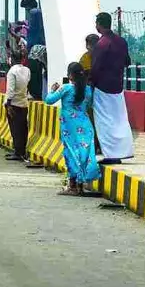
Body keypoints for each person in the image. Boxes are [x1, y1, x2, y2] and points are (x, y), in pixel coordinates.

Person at [45, 63, 99, 195]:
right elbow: (89, 105)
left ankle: (73, 186)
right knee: (84, 155)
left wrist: (52, 90)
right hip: (86, 126)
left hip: (69, 128)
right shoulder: (88, 90)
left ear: (70, 75)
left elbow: (49, 100)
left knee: (71, 153)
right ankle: (81, 185)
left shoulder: (65, 88)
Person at [89, 11, 134, 163]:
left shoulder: (100, 45)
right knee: (120, 120)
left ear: (99, 25)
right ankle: (124, 151)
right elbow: (127, 61)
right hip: (118, 87)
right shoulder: (122, 42)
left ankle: (110, 154)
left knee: (104, 122)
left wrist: (91, 85)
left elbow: (95, 68)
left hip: (103, 88)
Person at [4, 45, 32, 164]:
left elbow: (10, 89)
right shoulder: (27, 70)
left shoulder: (12, 71)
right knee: (23, 128)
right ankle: (21, 151)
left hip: (14, 103)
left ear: (12, 59)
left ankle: (17, 152)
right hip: (24, 103)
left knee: (15, 129)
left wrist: (8, 103)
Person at [20, 0, 46, 99]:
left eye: (26, 8)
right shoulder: (39, 12)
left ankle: (34, 95)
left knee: (33, 72)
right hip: (42, 45)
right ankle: (38, 95)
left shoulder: (33, 12)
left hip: (35, 47)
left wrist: (28, 46)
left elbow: (32, 32)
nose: (26, 11)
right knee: (38, 73)